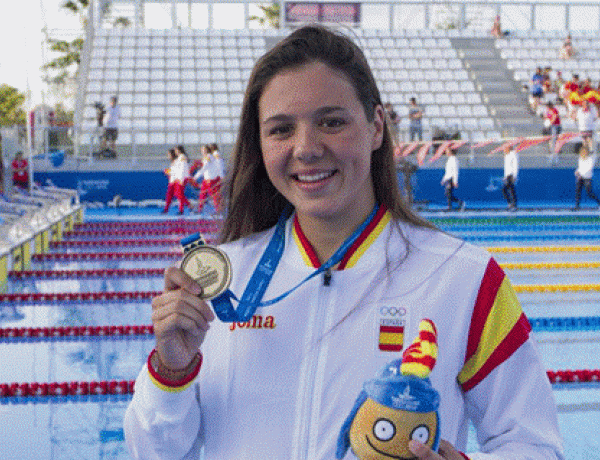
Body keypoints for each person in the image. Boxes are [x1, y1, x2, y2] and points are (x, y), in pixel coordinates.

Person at [124, 25, 564, 460]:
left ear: (376, 127)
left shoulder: (464, 279)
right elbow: (154, 453)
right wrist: (171, 371)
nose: (306, 147)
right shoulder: (221, 282)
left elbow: (535, 444)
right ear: (260, 145)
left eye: (331, 122)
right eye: (281, 130)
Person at [193, 144, 224, 213]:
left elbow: (205, 168)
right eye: (202, 149)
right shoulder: (207, 157)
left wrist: (195, 177)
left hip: (211, 180)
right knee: (202, 195)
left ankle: (218, 210)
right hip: (206, 180)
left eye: (204, 149)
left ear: (207, 150)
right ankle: (199, 210)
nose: (202, 151)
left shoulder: (209, 157)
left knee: (214, 196)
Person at [162, 147, 191, 215]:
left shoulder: (181, 158)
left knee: (179, 194)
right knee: (175, 194)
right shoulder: (176, 160)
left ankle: (183, 209)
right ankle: (187, 206)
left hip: (179, 179)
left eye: (169, 154)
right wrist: (169, 171)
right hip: (175, 180)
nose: (168, 156)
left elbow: (181, 169)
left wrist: (180, 178)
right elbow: (175, 171)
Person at [574, 145, 600, 209]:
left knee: (589, 193)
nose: (583, 153)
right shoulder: (580, 158)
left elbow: (589, 168)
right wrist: (577, 171)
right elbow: (580, 167)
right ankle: (577, 206)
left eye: (584, 152)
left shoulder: (590, 159)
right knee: (578, 191)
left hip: (587, 178)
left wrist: (581, 174)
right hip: (580, 177)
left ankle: (599, 203)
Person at [502, 144, 518, 211]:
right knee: (505, 190)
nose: (504, 150)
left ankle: (513, 205)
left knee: (511, 190)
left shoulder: (513, 154)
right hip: (508, 175)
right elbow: (506, 167)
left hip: (511, 175)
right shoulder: (506, 156)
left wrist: (514, 176)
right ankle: (510, 204)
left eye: (505, 148)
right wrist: (505, 176)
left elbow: (515, 165)